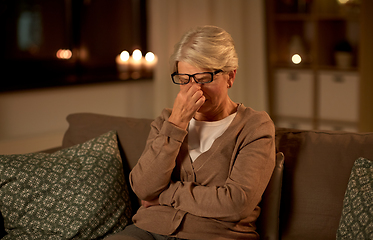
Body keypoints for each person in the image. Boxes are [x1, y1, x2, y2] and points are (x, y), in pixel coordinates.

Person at [107, 25, 275, 240]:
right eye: (185, 80)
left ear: (230, 76)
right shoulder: (166, 121)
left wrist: (165, 195)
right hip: (148, 231)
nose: (195, 89)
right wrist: (177, 124)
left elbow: (237, 203)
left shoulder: (254, 126)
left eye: (204, 78)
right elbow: (143, 189)